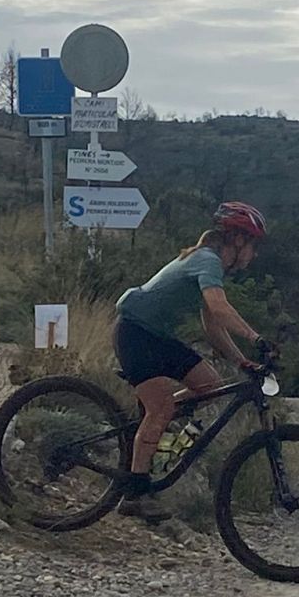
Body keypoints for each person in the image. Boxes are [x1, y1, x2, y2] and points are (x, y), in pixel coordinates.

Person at [112, 201, 268, 504]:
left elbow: (213, 325)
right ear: (238, 240)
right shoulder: (207, 260)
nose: (255, 254)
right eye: (253, 245)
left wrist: (241, 361)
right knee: (161, 408)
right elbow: (220, 308)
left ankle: (151, 429)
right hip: (135, 333)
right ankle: (134, 494)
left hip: (155, 336)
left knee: (210, 385)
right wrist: (256, 337)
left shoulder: (210, 265)